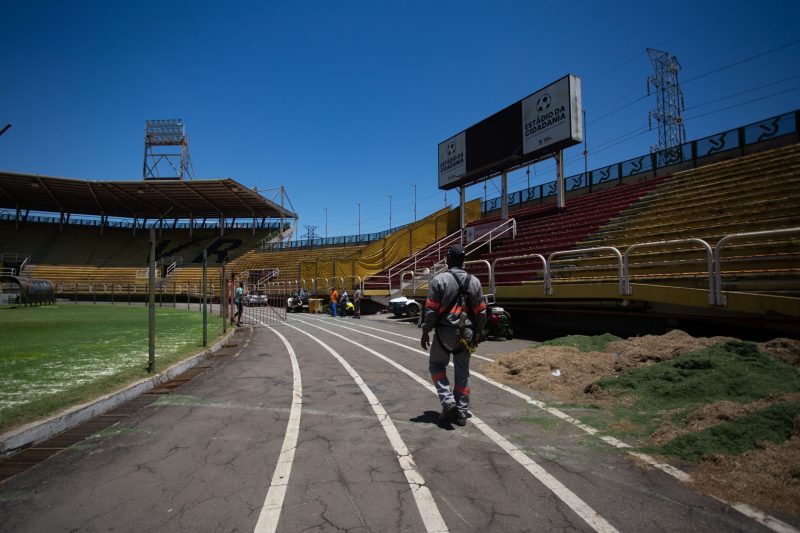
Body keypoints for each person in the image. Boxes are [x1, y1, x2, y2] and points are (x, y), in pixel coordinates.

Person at [420, 245, 486, 427]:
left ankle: (448, 402)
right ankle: (462, 414)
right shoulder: (475, 281)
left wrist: (426, 331)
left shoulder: (439, 280)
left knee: (436, 365)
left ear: (448, 259)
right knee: (462, 372)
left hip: (444, 333)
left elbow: (431, 310)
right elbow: (481, 312)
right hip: (467, 333)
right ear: (463, 260)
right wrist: (479, 332)